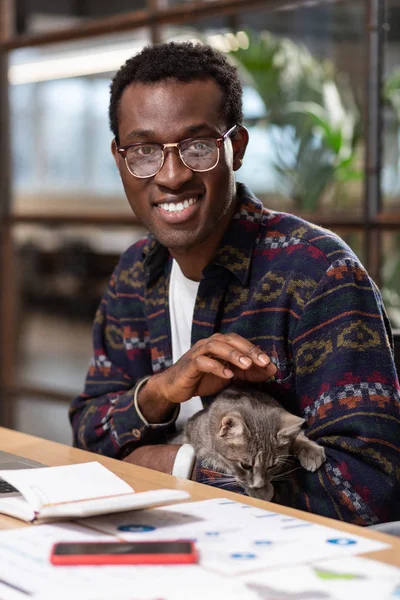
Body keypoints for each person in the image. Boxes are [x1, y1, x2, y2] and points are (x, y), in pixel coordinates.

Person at [70, 41, 400, 526]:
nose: (173, 175)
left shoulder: (319, 274)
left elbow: (372, 486)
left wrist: (176, 464)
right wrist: (159, 391)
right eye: (144, 151)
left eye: (198, 146)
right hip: (152, 535)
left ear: (236, 148)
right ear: (121, 160)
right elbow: (88, 429)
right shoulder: (134, 274)